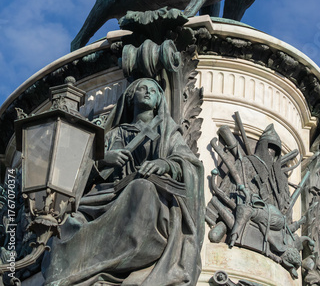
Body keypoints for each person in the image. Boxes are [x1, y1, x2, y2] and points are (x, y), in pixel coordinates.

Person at [43, 78, 205, 286]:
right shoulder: (114, 135)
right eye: (142, 89)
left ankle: (110, 260)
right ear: (131, 98)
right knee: (69, 221)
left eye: (153, 91)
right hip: (106, 195)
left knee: (141, 188)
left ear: (158, 101)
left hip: (144, 194)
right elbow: (79, 173)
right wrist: (103, 160)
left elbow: (189, 164)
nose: (147, 93)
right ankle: (73, 272)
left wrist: (164, 164)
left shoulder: (166, 133)